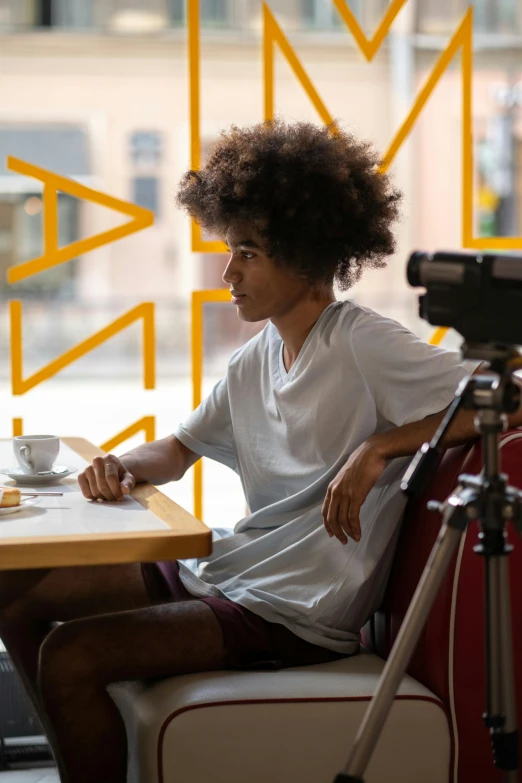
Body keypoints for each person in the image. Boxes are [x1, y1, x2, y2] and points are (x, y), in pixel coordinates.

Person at [1, 118, 521, 783]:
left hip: (295, 611)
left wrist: (379, 447)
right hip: (231, 573)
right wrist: (120, 464)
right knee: (13, 589)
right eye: (230, 248)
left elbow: (510, 394)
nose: (228, 271)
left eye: (248, 251)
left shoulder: (362, 343)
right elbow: (178, 448)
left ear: (305, 258)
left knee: (71, 656)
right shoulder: (255, 359)